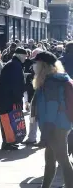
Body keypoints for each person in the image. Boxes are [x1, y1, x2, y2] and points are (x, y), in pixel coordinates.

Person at [31, 51, 73, 188]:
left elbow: (51, 109)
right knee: (50, 160)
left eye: (36, 63)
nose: (34, 66)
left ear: (43, 65)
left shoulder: (51, 82)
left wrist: (45, 134)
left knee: (63, 161)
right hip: (57, 125)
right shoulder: (51, 80)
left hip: (56, 127)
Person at [0, 47, 27, 151]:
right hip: (9, 98)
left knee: (8, 120)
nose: (25, 58)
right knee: (8, 120)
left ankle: (9, 141)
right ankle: (7, 142)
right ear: (20, 55)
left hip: (6, 97)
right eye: (24, 56)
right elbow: (15, 84)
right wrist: (18, 98)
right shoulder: (15, 65)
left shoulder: (13, 64)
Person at [23, 48, 45, 147]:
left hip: (41, 98)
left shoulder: (45, 70)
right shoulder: (34, 67)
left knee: (39, 119)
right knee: (33, 119)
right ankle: (32, 138)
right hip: (34, 97)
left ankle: (40, 139)